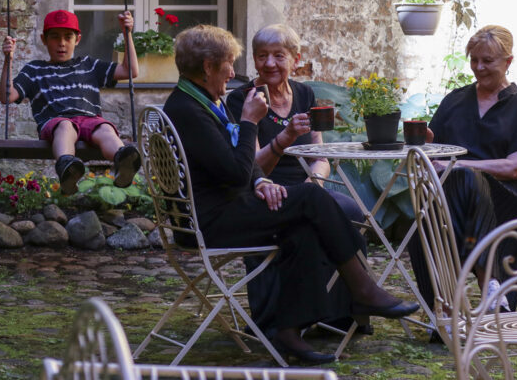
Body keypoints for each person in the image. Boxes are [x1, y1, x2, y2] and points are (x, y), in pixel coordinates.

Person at [163, 24, 418, 364]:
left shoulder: (198, 101)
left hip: (220, 209)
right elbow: (236, 172)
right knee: (312, 199)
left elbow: (234, 167)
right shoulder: (190, 110)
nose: (233, 73)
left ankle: (289, 329)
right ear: (209, 67)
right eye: (229, 64)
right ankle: (362, 290)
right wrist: (251, 122)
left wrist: (260, 183)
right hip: (209, 222)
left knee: (305, 226)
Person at [225, 24, 370, 335]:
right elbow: (251, 166)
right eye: (262, 56)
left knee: (351, 211)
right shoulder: (243, 99)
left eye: (279, 55)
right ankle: (287, 316)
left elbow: (320, 157)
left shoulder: (304, 94)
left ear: (296, 59)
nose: (270, 63)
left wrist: (313, 185)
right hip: (266, 189)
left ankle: (342, 314)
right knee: (306, 221)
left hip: (306, 188)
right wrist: (286, 136)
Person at [408, 25, 517, 329]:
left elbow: (514, 167)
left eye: (488, 61)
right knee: (451, 195)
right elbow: (435, 151)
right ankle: (490, 290)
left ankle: (447, 311)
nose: (479, 67)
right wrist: (426, 142)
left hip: (505, 202)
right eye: (474, 60)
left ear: (508, 61)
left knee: (466, 179)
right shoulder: (455, 100)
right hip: (451, 201)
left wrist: (459, 166)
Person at [0, 9, 141, 194]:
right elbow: (6, 96)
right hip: (56, 122)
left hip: (90, 121)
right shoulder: (34, 70)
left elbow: (130, 71)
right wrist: (8, 59)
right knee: (66, 126)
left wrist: (127, 33)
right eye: (55, 37)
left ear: (77, 39)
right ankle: (67, 168)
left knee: (105, 128)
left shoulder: (89, 65)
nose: (62, 43)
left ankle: (123, 161)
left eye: (68, 37)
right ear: (44, 39)